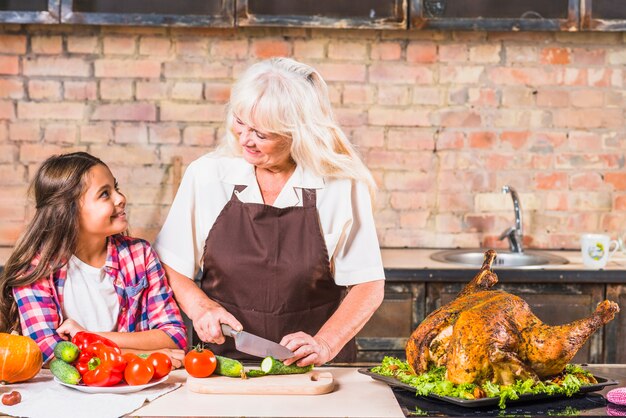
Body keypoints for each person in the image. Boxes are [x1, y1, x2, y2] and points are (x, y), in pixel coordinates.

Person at [155, 57, 385, 367]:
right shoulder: (207, 175)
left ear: (298, 134)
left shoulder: (341, 186)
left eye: (262, 134)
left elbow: (367, 284)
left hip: (314, 367)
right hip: (221, 365)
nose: (244, 139)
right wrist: (201, 308)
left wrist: (324, 344)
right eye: (240, 122)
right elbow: (170, 263)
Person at [0, 152, 187, 365]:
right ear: (68, 211)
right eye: (105, 194)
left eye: (115, 187)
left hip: (136, 387)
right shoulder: (35, 268)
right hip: (65, 395)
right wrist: (142, 355)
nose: (120, 198)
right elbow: (51, 353)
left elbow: (174, 337)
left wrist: (85, 337)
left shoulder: (140, 255)